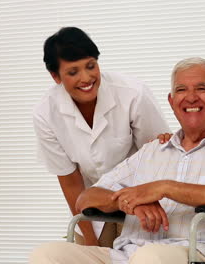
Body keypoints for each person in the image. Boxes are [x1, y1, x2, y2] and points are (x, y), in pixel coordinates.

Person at [29, 57, 205, 264]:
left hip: (203, 254)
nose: (191, 97)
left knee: (150, 258)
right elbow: (86, 198)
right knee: (48, 254)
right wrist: (131, 203)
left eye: (202, 88)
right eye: (181, 90)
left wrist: (166, 188)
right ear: (171, 101)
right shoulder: (151, 151)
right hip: (129, 254)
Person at [33, 27, 170, 247]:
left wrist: (144, 205)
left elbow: (160, 155)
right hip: (92, 203)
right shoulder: (46, 114)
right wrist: (90, 241)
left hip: (142, 201)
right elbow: (71, 183)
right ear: (55, 76)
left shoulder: (132, 93)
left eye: (91, 66)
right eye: (73, 72)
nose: (86, 78)